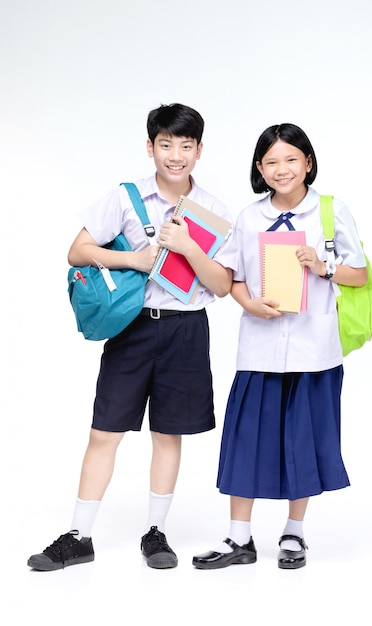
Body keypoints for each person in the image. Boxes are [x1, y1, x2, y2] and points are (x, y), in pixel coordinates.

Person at [27, 103, 237, 571]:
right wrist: (136, 260)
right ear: (150, 147)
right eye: (166, 144)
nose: (176, 155)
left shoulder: (215, 213)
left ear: (200, 151)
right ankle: (79, 536)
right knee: (105, 431)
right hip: (133, 327)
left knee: (168, 433)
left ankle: (155, 534)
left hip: (186, 328)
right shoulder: (125, 198)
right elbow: (76, 250)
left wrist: (187, 248)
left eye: (186, 145)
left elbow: (223, 285)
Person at [192, 122, 367, 570]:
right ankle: (238, 540)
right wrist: (251, 304)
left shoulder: (331, 210)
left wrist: (322, 266)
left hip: (314, 350)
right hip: (260, 350)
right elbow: (234, 278)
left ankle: (294, 532)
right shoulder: (249, 218)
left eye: (291, 159)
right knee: (245, 439)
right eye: (271, 161)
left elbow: (359, 274)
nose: (282, 169)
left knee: (303, 441)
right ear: (259, 168)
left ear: (308, 162)